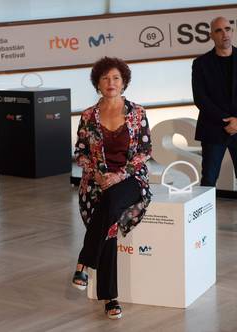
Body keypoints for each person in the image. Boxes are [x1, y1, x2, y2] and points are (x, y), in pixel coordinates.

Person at [71, 57, 152, 319]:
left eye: (116, 78)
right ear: (97, 82)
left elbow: (144, 152)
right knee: (107, 222)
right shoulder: (87, 116)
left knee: (108, 204)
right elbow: (80, 153)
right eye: (105, 78)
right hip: (97, 182)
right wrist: (97, 174)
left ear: (124, 81)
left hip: (131, 180)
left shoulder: (137, 113)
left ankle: (84, 262)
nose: (110, 83)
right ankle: (111, 298)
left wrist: (119, 176)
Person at [192, 17, 237, 241]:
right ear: (211, 35)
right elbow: (200, 99)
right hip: (214, 128)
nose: (225, 34)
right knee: (209, 179)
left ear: (232, 31)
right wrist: (226, 121)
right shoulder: (201, 63)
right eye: (219, 30)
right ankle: (202, 224)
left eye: (228, 29)